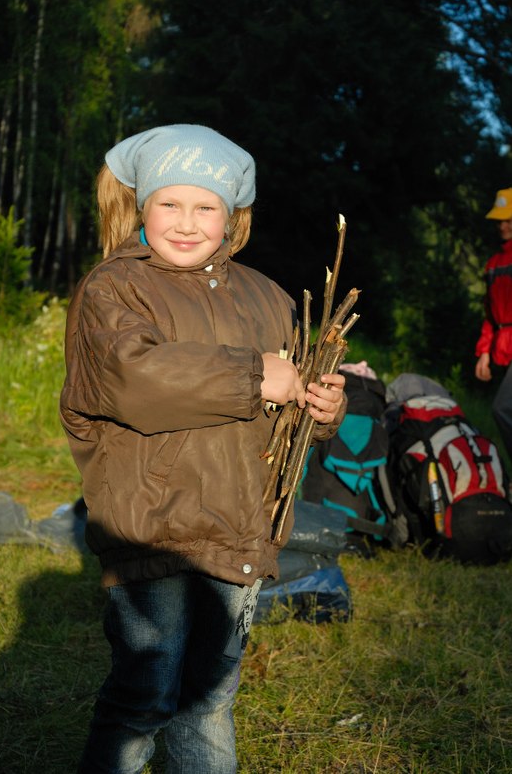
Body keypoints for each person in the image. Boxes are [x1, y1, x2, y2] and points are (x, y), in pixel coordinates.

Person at [60, 124, 346, 774]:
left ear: (231, 216)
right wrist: (253, 374)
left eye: (205, 206)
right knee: (147, 689)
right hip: (151, 524)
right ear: (142, 206)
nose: (186, 222)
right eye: (170, 203)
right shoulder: (114, 288)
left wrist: (324, 407)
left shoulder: (267, 297)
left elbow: (295, 392)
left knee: (210, 696)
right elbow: (134, 378)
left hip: (240, 527)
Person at [474, 186, 512, 499]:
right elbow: (489, 315)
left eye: (509, 219)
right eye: (499, 220)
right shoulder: (494, 263)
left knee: (505, 408)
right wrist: (483, 352)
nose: (503, 225)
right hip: (504, 348)